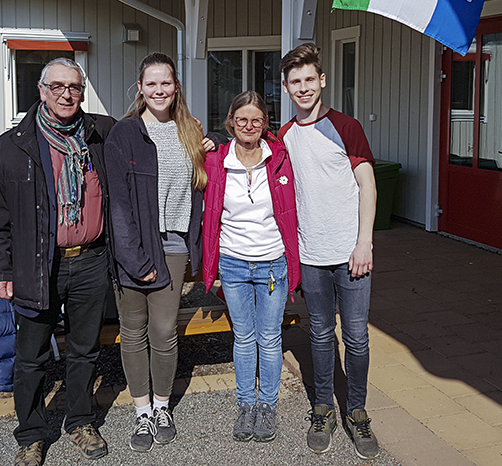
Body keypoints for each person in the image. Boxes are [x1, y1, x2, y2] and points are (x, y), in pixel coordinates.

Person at [0, 57, 116, 465]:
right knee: (31, 356)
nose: (66, 94)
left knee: (84, 349)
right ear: (41, 91)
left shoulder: (102, 133)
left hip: (91, 261)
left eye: (74, 87)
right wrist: (0, 268)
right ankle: (32, 433)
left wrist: (212, 137)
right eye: (57, 86)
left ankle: (79, 421)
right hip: (37, 264)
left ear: (82, 91)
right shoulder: (13, 145)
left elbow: (158, 131)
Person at [104, 52, 212, 453]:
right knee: (133, 331)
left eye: (165, 83)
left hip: (173, 244)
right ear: (140, 88)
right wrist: (133, 259)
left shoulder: (189, 129)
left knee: (164, 331)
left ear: (175, 86)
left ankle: (163, 406)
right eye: (151, 83)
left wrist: (211, 144)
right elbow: (118, 204)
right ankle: (142, 412)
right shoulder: (125, 133)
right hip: (133, 245)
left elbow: (205, 173)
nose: (159, 90)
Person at [278, 43, 379, 460]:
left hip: (352, 253)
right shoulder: (284, 135)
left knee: (355, 336)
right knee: (320, 333)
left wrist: (364, 242)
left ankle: (356, 410)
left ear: (322, 80)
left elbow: (367, 185)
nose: (303, 88)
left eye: (308, 80)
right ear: (286, 88)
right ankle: (323, 408)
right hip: (311, 254)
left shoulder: (347, 126)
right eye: (294, 82)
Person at [201, 91, 300, 443]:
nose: (248, 126)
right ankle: (246, 404)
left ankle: (267, 406)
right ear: (230, 122)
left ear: (265, 124)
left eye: (256, 120)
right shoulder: (216, 160)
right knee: (244, 338)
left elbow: (291, 210)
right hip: (233, 262)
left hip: (272, 262)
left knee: (270, 338)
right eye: (241, 119)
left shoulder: (279, 159)